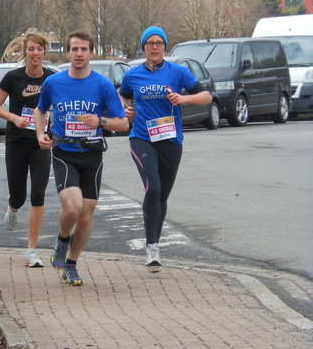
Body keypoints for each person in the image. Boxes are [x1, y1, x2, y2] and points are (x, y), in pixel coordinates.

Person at [34, 30, 129, 285]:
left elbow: (123, 124)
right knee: (73, 207)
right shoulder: (54, 83)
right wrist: (41, 134)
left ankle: (72, 264)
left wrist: (101, 120)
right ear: (68, 52)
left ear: (91, 53)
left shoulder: (102, 85)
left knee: (86, 215)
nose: (78, 54)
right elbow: (40, 110)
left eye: (83, 49)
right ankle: (62, 239)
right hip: (64, 152)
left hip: (92, 154)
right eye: (74, 49)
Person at [119, 26, 212, 272]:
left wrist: (184, 99)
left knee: (162, 195)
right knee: (153, 186)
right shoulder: (133, 75)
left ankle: (155, 242)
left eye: (159, 43)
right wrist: (125, 111)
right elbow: (123, 97)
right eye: (150, 43)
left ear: (165, 46)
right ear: (144, 47)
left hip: (170, 139)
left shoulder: (178, 73)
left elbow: (206, 97)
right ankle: (151, 248)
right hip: (142, 137)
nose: (155, 47)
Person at [0, 29, 56, 268]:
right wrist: (14, 118)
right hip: (17, 142)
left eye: (39, 49)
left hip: (41, 143)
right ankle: (13, 205)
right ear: (25, 52)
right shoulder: (13, 77)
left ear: (44, 52)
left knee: (38, 193)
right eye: (31, 49)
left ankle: (31, 250)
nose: (35, 53)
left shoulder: (51, 78)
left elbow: (59, 105)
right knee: (19, 195)